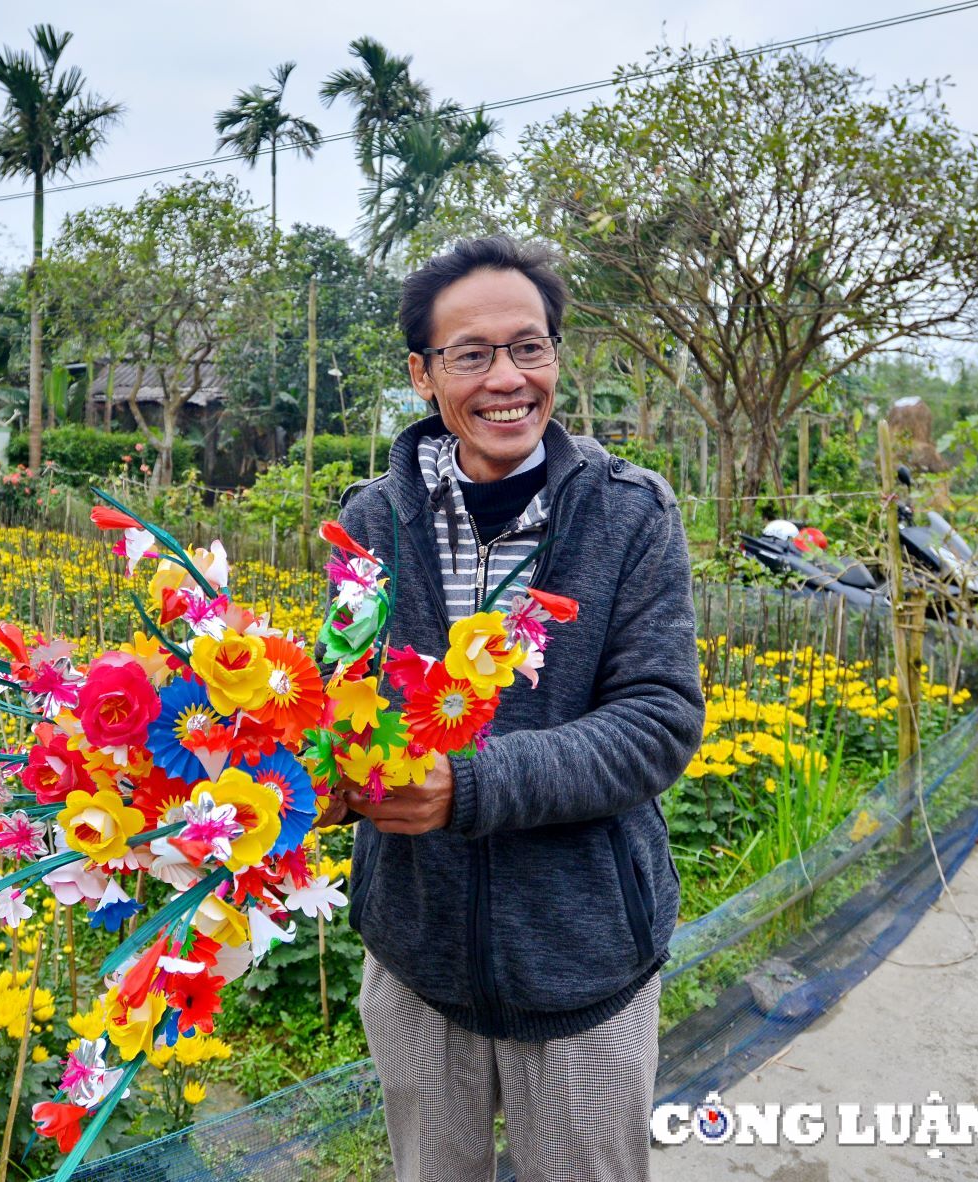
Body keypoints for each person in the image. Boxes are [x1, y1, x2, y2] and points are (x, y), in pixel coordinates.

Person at [319, 236, 705, 1181]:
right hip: (416, 954)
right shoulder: (369, 521)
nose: (507, 379)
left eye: (529, 348)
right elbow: (343, 697)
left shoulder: (629, 514)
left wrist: (471, 785)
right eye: (471, 354)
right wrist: (306, 778)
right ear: (421, 374)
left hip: (584, 963)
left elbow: (657, 719)